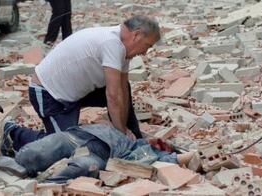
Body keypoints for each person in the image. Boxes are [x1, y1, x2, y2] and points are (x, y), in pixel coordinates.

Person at [21, 15, 161, 150]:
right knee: (66, 146)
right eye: (147, 46)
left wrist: (126, 130)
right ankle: (15, 134)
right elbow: (112, 97)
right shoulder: (111, 43)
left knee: (122, 88)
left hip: (73, 92)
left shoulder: (124, 48)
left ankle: (135, 140)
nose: (145, 52)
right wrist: (122, 134)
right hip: (49, 94)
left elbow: (122, 90)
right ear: (136, 35)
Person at [0, 122, 194, 183]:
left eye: (165, 144)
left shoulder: (156, 157)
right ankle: (18, 163)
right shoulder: (133, 139)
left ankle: (44, 183)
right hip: (78, 137)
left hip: (100, 157)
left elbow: (184, 158)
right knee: (32, 156)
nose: (160, 142)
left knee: (81, 167)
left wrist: (195, 155)